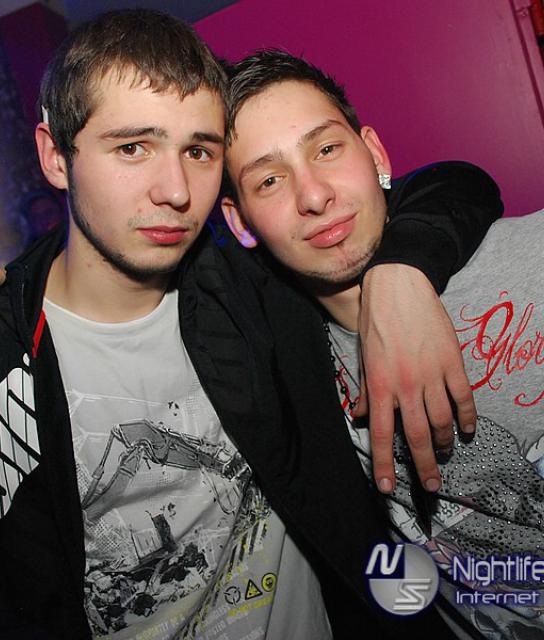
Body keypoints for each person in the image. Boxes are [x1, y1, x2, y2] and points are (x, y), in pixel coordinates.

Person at [0, 11, 503, 640]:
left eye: (197, 151)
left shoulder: (251, 287)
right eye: (132, 147)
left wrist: (400, 274)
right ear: (56, 156)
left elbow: (448, 185)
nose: (175, 190)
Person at [218, 49, 544, 638]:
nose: (313, 195)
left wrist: (402, 271)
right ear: (240, 222)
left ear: (374, 154)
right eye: (269, 180)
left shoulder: (532, 262)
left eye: (326, 150)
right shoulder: (284, 360)